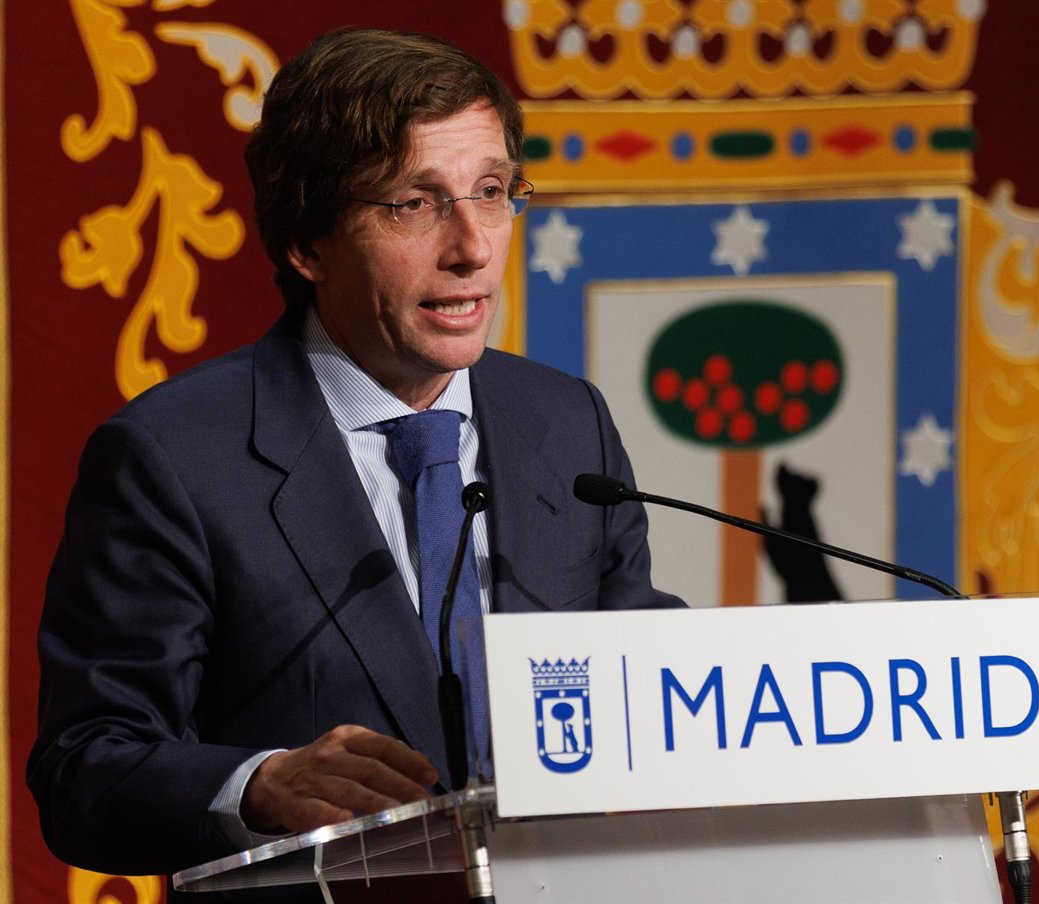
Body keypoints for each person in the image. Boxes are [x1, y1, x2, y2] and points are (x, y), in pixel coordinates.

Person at [27, 26, 683, 895]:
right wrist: (257, 786)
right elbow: (86, 765)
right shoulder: (173, 457)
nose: (473, 246)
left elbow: (635, 674)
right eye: (414, 203)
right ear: (308, 243)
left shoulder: (566, 422)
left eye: (492, 192)